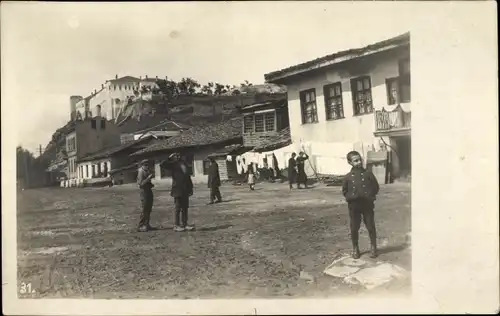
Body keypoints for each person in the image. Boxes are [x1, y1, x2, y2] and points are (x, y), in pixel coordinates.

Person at [342, 151, 380, 259]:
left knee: (370, 226)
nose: (359, 162)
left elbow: (375, 187)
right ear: (350, 162)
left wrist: (370, 196)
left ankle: (373, 247)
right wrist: (350, 198)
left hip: (367, 204)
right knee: (354, 228)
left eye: (360, 160)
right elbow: (344, 190)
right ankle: (355, 248)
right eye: (355, 161)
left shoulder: (368, 174)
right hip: (354, 206)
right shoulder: (348, 177)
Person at [162, 153, 194, 232]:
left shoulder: (184, 165)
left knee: (185, 208)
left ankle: (185, 224)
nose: (178, 157)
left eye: (179, 155)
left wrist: (190, 189)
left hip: (185, 190)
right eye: (176, 156)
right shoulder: (173, 165)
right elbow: (163, 164)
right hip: (177, 190)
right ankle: (176, 225)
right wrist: (169, 158)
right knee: (178, 208)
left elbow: (188, 178)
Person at [136, 159, 155, 232]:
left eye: (147, 165)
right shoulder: (141, 172)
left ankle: (147, 224)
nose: (147, 166)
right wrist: (148, 178)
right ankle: (141, 225)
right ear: (142, 165)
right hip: (144, 191)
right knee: (145, 208)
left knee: (149, 208)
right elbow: (141, 183)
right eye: (145, 165)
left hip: (148, 190)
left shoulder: (147, 171)